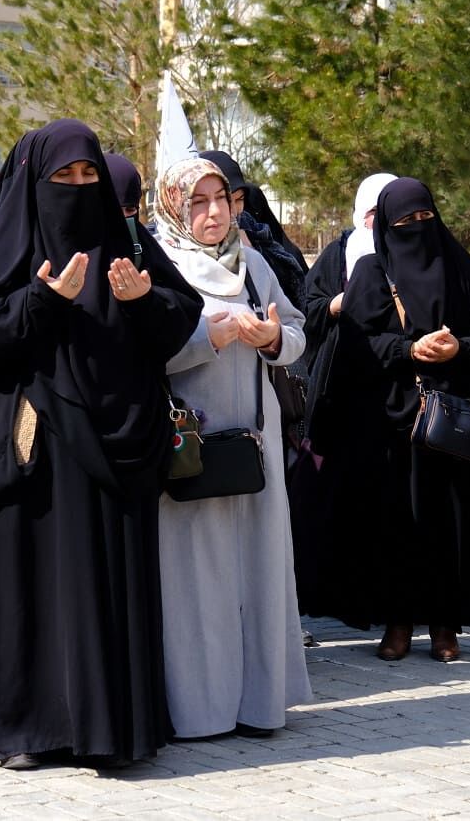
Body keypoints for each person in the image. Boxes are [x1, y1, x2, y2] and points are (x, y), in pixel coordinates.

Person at [0, 120, 203, 770]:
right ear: (36, 182)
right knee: (32, 587)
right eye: (63, 177)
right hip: (36, 446)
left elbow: (178, 322)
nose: (78, 187)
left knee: (107, 589)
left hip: (119, 447)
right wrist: (42, 299)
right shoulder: (9, 246)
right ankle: (30, 733)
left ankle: (112, 730)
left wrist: (144, 299)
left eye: (89, 175)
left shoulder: (129, 243)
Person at [152, 156, 312, 738]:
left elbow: (295, 332)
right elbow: (147, 348)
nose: (214, 212)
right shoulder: (162, 266)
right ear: (175, 207)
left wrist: (273, 338)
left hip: (256, 437)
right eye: (198, 202)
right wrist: (207, 338)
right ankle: (201, 711)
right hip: (193, 440)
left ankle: (259, 703)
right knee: (200, 577)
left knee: (259, 569)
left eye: (221, 198)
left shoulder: (255, 262)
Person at [322, 177, 470, 662]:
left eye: (426, 218)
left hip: (451, 421)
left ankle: (446, 625)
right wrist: (409, 349)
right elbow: (358, 344)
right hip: (392, 423)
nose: (418, 228)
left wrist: (459, 347)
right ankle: (397, 623)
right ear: (385, 225)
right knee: (397, 523)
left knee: (449, 523)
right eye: (405, 222)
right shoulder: (370, 271)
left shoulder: (460, 266)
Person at [293, 172, 396, 619]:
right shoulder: (338, 254)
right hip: (339, 390)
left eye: (385, 213)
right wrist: (336, 304)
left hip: (391, 393)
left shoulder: (409, 253)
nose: (377, 222)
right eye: (371, 212)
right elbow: (307, 308)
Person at [199, 150, 306, 309]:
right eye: (224, 199)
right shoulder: (168, 254)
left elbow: (292, 316)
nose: (233, 210)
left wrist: (277, 332)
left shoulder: (257, 238)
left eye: (239, 199)